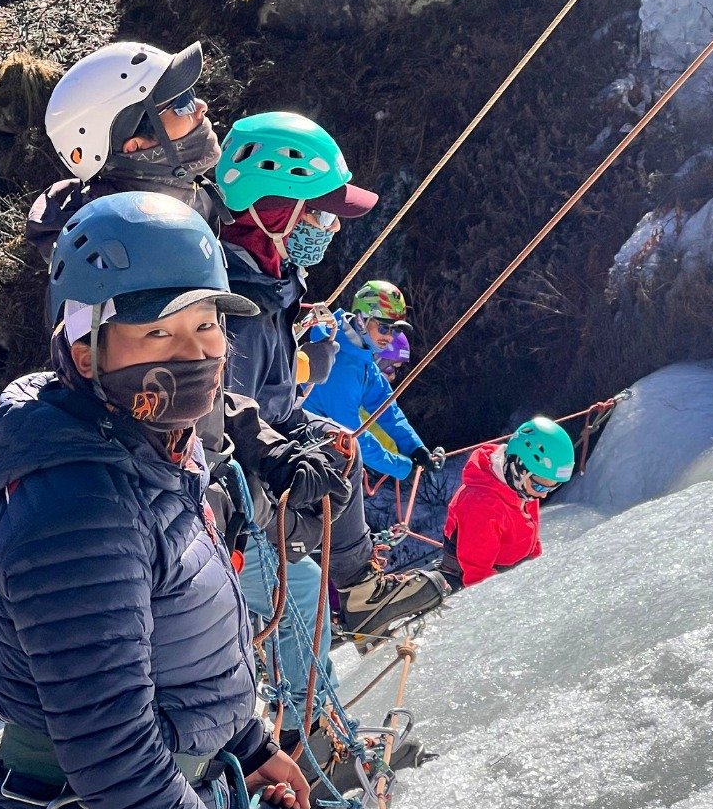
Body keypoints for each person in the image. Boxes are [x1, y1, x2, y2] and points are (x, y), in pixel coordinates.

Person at [0, 191, 535, 809]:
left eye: (205, 325)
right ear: (86, 341)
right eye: (159, 330)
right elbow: (107, 746)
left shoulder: (146, 445)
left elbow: (185, 645)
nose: (190, 352)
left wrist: (251, 741)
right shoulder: (75, 504)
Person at [29, 46, 349, 723]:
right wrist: (257, 441)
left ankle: (286, 741)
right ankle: (296, 742)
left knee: (279, 597)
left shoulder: (158, 220)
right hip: (163, 492)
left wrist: (258, 438)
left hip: (191, 473)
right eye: (177, 106)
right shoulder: (122, 247)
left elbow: (192, 370)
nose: (200, 111)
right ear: (134, 139)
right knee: (263, 608)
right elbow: (157, 378)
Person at [216, 113, 448, 643]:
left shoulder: (272, 283)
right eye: (322, 214)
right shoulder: (240, 303)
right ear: (276, 211)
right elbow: (232, 421)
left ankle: (361, 589)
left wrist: (301, 375)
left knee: (338, 446)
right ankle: (306, 718)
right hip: (249, 485)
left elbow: (375, 406)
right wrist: (298, 525)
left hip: (274, 462)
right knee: (299, 604)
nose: (335, 226)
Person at [27, 39, 227, 262]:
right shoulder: (104, 251)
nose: (201, 106)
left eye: (191, 92)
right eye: (183, 102)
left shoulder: (198, 200)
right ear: (136, 147)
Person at [305, 279, 442, 484]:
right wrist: (402, 467)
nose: (390, 337)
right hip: (307, 449)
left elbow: (385, 406)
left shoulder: (360, 354)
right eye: (385, 328)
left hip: (323, 451)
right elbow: (353, 435)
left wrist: (415, 448)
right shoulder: (341, 366)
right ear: (360, 320)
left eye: (396, 331)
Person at [441, 417, 575, 591]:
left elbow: (531, 531)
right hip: (476, 578)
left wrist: (537, 565)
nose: (543, 494)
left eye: (554, 486)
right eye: (539, 485)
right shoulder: (481, 506)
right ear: (519, 469)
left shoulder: (522, 487)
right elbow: (477, 577)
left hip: (510, 569)